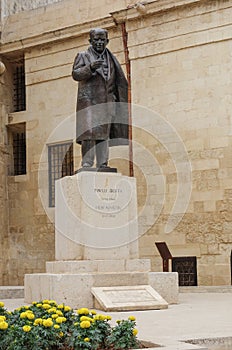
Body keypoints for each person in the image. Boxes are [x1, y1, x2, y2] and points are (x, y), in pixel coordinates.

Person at [72, 28, 128, 169]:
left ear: (107, 41)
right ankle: (87, 162)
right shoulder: (83, 56)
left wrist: (115, 99)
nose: (99, 42)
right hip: (89, 102)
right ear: (90, 41)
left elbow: (117, 81)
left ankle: (103, 163)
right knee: (89, 133)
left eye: (102, 39)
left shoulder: (111, 59)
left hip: (107, 103)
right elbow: (76, 74)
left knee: (104, 136)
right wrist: (90, 67)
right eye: (96, 39)